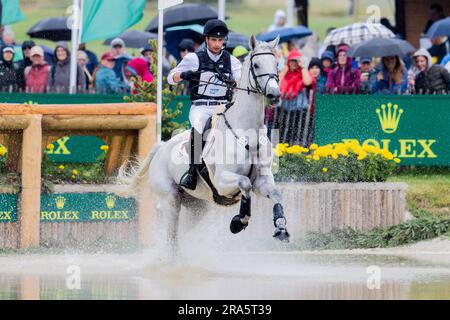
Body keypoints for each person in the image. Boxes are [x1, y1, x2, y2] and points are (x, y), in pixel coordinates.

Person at [167, 18, 242, 190]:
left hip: (224, 106)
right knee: (200, 126)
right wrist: (185, 74)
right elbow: (171, 78)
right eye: (214, 40)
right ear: (206, 39)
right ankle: (192, 172)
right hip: (202, 106)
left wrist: (236, 82)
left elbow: (240, 80)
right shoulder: (194, 58)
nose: (217, 44)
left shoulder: (232, 61)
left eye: (220, 40)